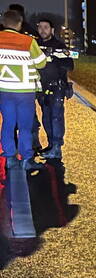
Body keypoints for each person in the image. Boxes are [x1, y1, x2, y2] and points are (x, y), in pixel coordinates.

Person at [0, 9, 48, 171]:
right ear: (19, 24)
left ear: (4, 23)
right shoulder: (28, 41)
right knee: (25, 126)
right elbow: (41, 63)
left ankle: (9, 157)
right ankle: (27, 158)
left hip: (4, 90)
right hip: (25, 92)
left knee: (8, 123)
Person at [34, 19, 74, 160]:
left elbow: (70, 65)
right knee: (46, 117)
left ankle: (56, 148)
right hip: (41, 87)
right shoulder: (35, 45)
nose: (42, 30)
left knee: (56, 117)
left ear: (51, 30)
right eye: (40, 27)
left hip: (57, 86)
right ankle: (51, 145)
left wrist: (55, 57)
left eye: (46, 27)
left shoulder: (59, 45)